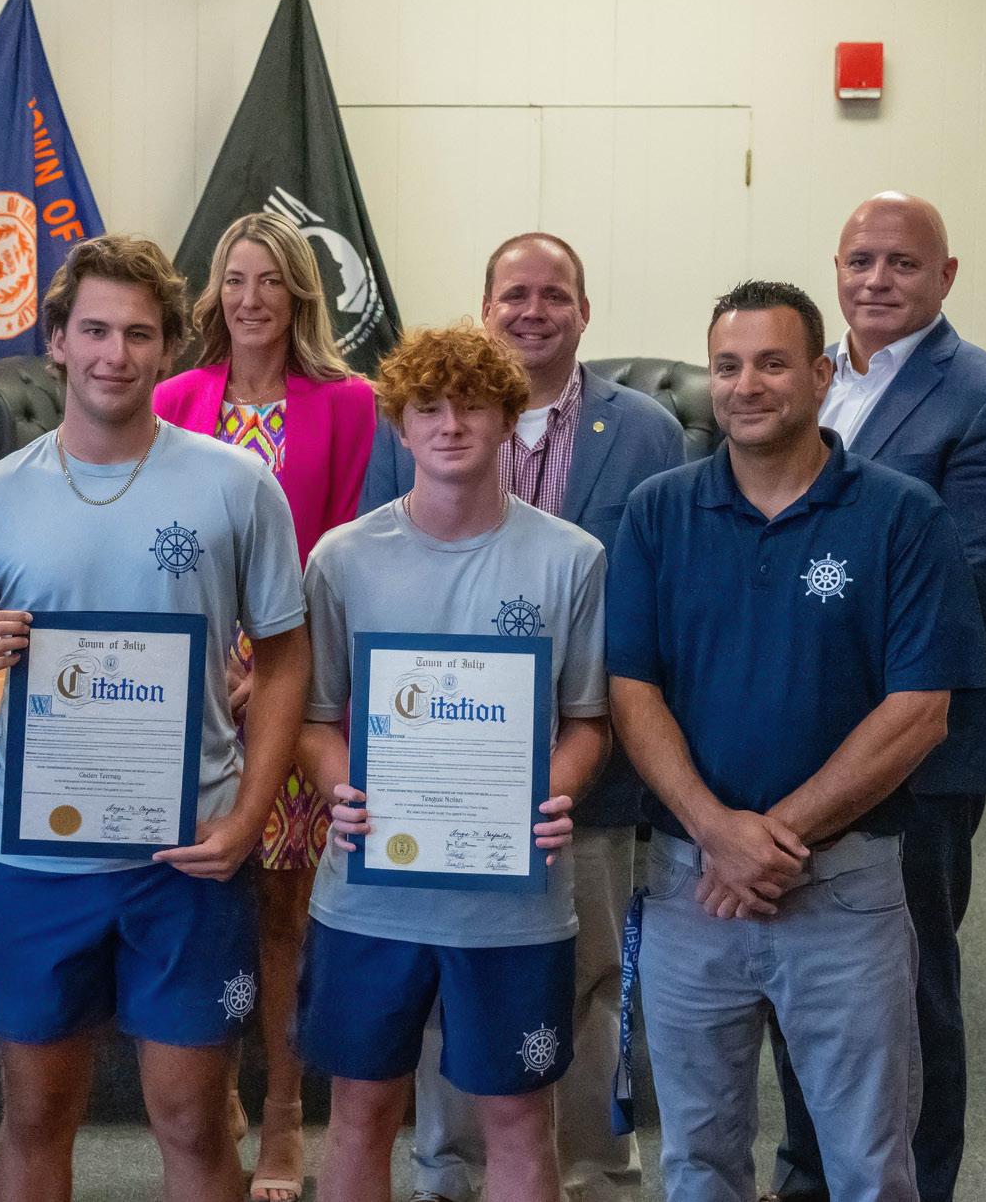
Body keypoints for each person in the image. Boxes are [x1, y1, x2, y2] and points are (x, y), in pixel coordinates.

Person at [0, 234, 311, 1202]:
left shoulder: (235, 485)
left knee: (192, 1117)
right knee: (36, 1114)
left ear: (169, 346)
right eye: (92, 330)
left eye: (136, 334)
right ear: (55, 340)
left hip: (186, 857)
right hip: (32, 862)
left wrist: (250, 814)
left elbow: (287, 656)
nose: (113, 354)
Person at [606, 281, 986, 1202]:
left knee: (868, 1163)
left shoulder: (901, 516)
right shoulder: (658, 511)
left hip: (844, 891)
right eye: (727, 365)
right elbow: (630, 689)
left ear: (820, 375)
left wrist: (767, 838)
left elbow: (919, 710)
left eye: (772, 363)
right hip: (690, 886)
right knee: (697, 1159)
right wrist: (716, 832)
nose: (745, 385)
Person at [360, 233, 684, 1202]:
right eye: (514, 293)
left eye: (554, 293)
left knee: (587, 981)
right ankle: (451, 1168)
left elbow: (658, 597)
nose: (532, 309)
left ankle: (592, 1165)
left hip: (586, 769)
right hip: (438, 778)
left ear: (584, 309)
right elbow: (382, 576)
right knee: (446, 986)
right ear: (485, 307)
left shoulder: (646, 429)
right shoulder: (416, 420)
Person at [764, 192, 986, 1202]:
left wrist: (785, 623)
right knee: (796, 983)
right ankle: (806, 1178)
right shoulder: (796, 379)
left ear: (945, 275)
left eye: (901, 262)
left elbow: (965, 586)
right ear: (835, 268)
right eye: (859, 261)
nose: (876, 280)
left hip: (914, 754)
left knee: (906, 994)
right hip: (778, 743)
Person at [293, 320, 610, 1202]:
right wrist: (338, 787)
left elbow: (587, 721)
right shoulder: (341, 559)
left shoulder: (571, 558)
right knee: (360, 1109)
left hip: (512, 900)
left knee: (516, 1115)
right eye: (427, 407)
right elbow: (312, 719)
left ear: (508, 419)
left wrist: (553, 790)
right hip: (369, 892)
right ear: (399, 425)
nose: (450, 424)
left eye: (471, 405)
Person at [152, 210, 377, 1202]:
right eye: (235, 280)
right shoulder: (174, 397)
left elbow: (352, 554)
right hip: (188, 686)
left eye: (270, 281)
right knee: (202, 897)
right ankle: (215, 1102)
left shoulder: (349, 405)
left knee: (283, 909)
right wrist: (213, 672)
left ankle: (283, 1112)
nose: (250, 299)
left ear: (298, 295)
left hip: (298, 673)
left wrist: (273, 669)